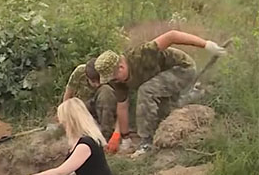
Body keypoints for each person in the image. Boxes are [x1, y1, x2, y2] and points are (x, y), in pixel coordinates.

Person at [95, 30, 226, 157]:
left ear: (121, 67)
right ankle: (197, 93)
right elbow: (122, 106)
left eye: (114, 77)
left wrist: (206, 44)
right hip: (161, 80)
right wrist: (124, 137)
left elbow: (172, 36)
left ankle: (146, 143)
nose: (113, 81)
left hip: (182, 68)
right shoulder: (118, 81)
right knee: (167, 113)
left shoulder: (140, 55)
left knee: (146, 91)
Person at [19, 98, 116, 175]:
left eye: (63, 121)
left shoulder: (86, 144)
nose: (62, 125)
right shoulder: (77, 142)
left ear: (70, 120)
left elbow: (61, 172)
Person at [63, 58, 122, 151]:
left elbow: (121, 105)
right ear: (87, 77)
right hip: (85, 108)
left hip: (105, 108)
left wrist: (117, 133)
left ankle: (105, 137)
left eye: (100, 81)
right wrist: (65, 115)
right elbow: (68, 94)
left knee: (106, 91)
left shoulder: (108, 74)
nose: (97, 84)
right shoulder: (79, 72)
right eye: (94, 82)